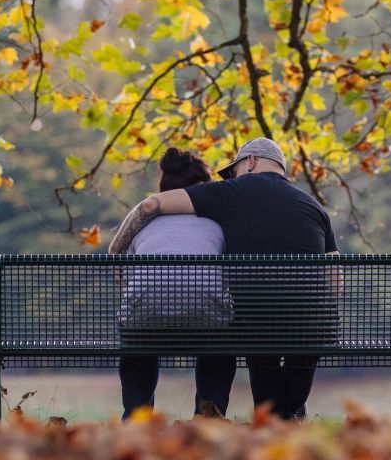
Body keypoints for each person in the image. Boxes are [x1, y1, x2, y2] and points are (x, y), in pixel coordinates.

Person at [109, 138, 339, 419]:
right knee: (291, 335)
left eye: (236, 169)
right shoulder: (315, 206)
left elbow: (149, 207)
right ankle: (274, 415)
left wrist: (115, 249)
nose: (232, 177)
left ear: (251, 161)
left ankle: (139, 416)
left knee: (255, 330)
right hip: (313, 326)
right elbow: (335, 281)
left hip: (253, 324)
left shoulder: (230, 193)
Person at [116, 148, 237, 419]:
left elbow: (124, 280)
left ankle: (137, 416)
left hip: (145, 323)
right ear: (203, 188)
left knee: (134, 326)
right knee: (223, 336)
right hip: (206, 322)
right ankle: (209, 415)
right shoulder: (218, 223)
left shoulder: (139, 224)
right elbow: (228, 279)